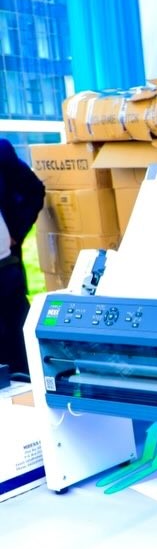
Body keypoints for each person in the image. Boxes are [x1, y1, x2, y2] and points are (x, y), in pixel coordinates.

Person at [0, 139, 45, 375]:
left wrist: (15, 232)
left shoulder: (2, 152)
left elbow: (34, 191)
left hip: (5, 272)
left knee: (19, 351)